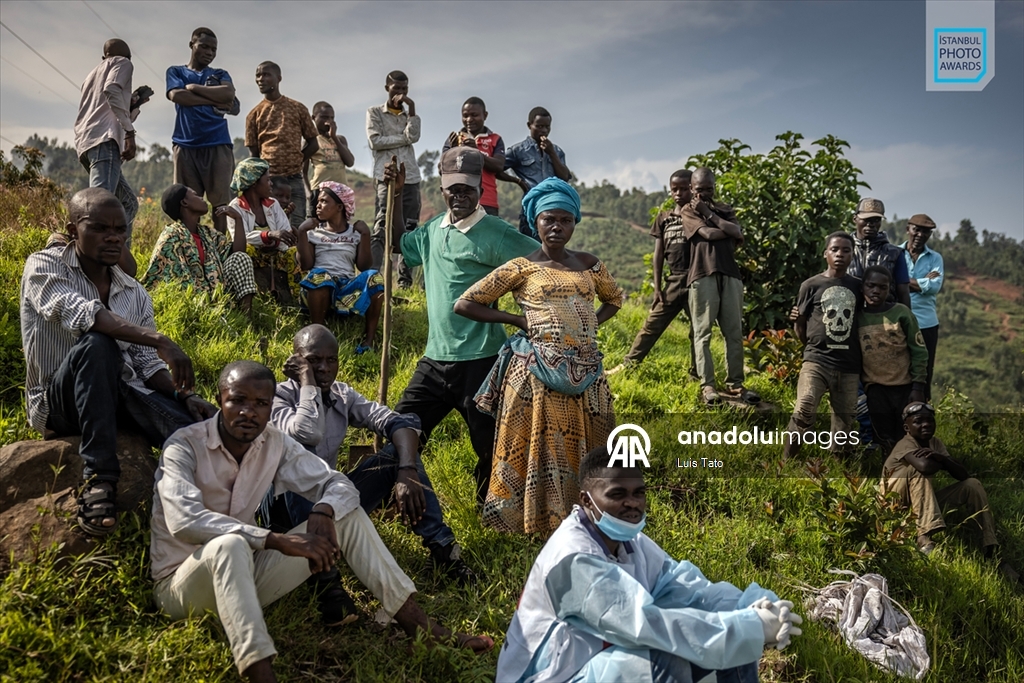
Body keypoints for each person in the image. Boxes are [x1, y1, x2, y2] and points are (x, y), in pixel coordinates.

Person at [151, 361, 493, 683]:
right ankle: (260, 671)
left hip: (249, 575)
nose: (248, 412)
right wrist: (275, 540)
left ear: (271, 406)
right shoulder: (185, 446)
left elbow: (338, 484)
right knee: (228, 543)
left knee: (345, 512)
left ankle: (420, 627)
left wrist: (324, 509)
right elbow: (185, 521)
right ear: (219, 400)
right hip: (183, 587)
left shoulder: (273, 443)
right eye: (237, 401)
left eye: (259, 403)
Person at [496, 446, 802, 683]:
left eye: (638, 492)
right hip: (554, 675)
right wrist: (748, 627)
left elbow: (688, 588)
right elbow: (645, 624)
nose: (633, 503)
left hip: (594, 660)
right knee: (666, 655)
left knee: (732, 631)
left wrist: (751, 606)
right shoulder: (574, 559)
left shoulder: (629, 541)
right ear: (587, 501)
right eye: (617, 494)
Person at [20, 188, 216, 537]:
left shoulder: (134, 291)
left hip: (118, 393)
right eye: (99, 228)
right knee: (98, 343)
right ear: (72, 229)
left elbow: (146, 365)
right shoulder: (45, 265)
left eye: (120, 230)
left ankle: (218, 507)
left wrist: (183, 396)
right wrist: (160, 339)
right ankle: (99, 480)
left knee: (205, 430)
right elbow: (84, 314)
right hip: (58, 403)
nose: (113, 238)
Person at [454, 177, 623, 535]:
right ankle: (533, 522)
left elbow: (615, 299)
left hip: (586, 372)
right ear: (536, 222)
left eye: (565, 219)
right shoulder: (521, 267)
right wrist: (517, 319)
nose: (557, 227)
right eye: (549, 219)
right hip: (536, 374)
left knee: (589, 445)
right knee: (538, 447)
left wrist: (590, 326)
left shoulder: (589, 264)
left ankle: (589, 520)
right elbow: (466, 303)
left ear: (575, 222)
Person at [386, 149, 539, 504]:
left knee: (490, 443)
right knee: (402, 429)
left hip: (482, 360)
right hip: (435, 360)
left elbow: (539, 260)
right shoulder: (431, 231)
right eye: (453, 189)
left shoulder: (495, 233)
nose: (460, 195)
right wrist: (395, 195)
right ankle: (390, 499)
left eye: (467, 189)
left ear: (480, 189)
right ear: (443, 190)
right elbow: (398, 245)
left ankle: (492, 508)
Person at [271, 325, 474, 583]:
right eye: (313, 361)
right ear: (296, 361)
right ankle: (324, 578)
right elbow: (306, 433)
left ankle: (444, 550)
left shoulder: (341, 394)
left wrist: (407, 471)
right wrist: (307, 382)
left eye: (330, 360)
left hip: (328, 499)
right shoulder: (278, 396)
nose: (323, 368)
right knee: (299, 456)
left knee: (397, 454)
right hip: (289, 513)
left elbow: (400, 422)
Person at [882, 402, 1005, 564]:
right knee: (917, 470)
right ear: (907, 428)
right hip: (894, 507)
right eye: (918, 421)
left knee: (972, 484)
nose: (926, 424)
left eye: (930, 420)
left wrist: (942, 458)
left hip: (920, 503)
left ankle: (989, 547)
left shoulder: (935, 443)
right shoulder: (905, 443)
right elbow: (924, 466)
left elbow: (962, 474)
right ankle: (923, 537)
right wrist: (941, 460)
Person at [608, 169, 698, 379]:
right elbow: (658, 256)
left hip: (696, 280)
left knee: (697, 331)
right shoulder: (664, 218)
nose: (679, 193)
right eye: (675, 189)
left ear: (692, 189)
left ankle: (697, 374)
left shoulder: (698, 217)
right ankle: (629, 364)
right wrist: (657, 288)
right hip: (674, 281)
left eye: (684, 189)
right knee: (652, 325)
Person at [682, 167, 759, 406]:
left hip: (730, 274)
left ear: (715, 187)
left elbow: (736, 231)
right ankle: (708, 385)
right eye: (699, 189)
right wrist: (724, 229)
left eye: (709, 188)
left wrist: (709, 213)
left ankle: (735, 384)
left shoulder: (725, 209)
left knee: (734, 333)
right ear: (691, 189)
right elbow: (708, 235)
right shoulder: (687, 210)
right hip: (703, 273)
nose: (704, 193)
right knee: (703, 333)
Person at [74, 38, 149, 277]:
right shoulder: (122, 63)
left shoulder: (91, 76)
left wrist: (134, 104)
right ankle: (88, 269)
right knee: (99, 208)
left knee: (127, 202)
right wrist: (129, 132)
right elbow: (112, 90)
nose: (129, 58)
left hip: (88, 143)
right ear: (112, 55)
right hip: (104, 142)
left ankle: (118, 267)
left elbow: (108, 108)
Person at [784, 232, 862, 458]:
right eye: (835, 249)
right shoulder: (810, 285)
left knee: (845, 420)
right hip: (817, 361)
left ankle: (841, 466)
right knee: (805, 406)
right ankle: (786, 462)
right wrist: (811, 349)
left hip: (849, 366)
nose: (840, 254)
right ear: (825, 254)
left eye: (846, 250)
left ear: (852, 255)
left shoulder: (858, 287)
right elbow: (800, 323)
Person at [295, 182, 383, 352]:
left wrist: (366, 235)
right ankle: (317, 337)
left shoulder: (355, 233)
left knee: (375, 277)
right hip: (319, 287)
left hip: (347, 290)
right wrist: (301, 233)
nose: (318, 205)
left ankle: (368, 341)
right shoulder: (314, 233)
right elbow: (306, 265)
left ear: (340, 207)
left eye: (324, 201)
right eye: (318, 201)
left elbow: (364, 266)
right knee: (319, 275)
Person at [166, 27, 238, 235]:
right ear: (192, 45)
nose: (209, 52)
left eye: (213, 49)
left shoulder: (219, 74)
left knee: (221, 204)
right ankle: (189, 247)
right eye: (204, 46)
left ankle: (220, 248)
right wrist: (213, 99)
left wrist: (195, 89)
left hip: (218, 143)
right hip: (185, 144)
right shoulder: (176, 72)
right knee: (186, 204)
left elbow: (229, 95)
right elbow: (178, 96)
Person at [141, 184, 256, 313]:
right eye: (195, 195)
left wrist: (238, 219)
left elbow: (238, 253)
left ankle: (246, 321)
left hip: (218, 296)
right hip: (190, 302)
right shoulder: (171, 236)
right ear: (184, 202)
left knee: (241, 258)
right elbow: (164, 275)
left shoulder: (207, 234)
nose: (201, 198)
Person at [857, 266, 929, 453]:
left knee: (909, 436)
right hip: (876, 390)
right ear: (862, 287)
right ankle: (889, 477)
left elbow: (919, 351)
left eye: (883, 287)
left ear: (890, 289)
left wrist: (918, 386)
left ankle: (912, 477)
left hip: (905, 388)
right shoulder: (857, 317)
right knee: (884, 438)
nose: (876, 291)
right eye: (871, 286)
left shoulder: (901, 313)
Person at [245, 61, 318, 228]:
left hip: (294, 178)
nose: (261, 79)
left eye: (266, 74)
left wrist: (297, 159)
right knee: (272, 227)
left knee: (298, 227)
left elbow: (314, 143)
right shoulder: (254, 115)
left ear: (279, 78)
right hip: (269, 182)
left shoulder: (297, 108)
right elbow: (254, 156)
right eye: (258, 75)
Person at [366, 70, 421, 287]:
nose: (400, 93)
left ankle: (404, 282)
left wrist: (413, 109)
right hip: (385, 175)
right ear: (387, 87)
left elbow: (414, 136)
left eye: (404, 89)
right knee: (382, 224)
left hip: (411, 177)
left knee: (410, 227)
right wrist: (403, 139)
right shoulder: (375, 112)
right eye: (396, 88)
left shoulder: (410, 115)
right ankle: (372, 278)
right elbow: (374, 141)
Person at [226, 158, 301, 301]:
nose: (271, 184)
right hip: (253, 255)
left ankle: (297, 299)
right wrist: (269, 235)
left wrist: (276, 241)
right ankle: (249, 296)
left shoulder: (273, 205)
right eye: (267, 180)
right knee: (247, 250)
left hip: (275, 254)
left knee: (294, 253)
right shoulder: (235, 207)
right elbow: (242, 238)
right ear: (254, 183)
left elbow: (285, 233)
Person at [499, 106, 571, 237]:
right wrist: (517, 181)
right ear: (529, 125)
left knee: (551, 248)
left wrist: (551, 153)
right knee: (529, 248)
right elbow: (497, 169)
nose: (543, 131)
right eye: (539, 126)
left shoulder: (557, 151)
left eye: (547, 127)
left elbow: (564, 177)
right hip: (531, 208)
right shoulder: (518, 150)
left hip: (553, 207)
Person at [900, 214, 943, 399]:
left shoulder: (935, 258)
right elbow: (888, 282)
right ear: (908, 229)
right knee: (898, 368)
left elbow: (934, 286)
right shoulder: (894, 253)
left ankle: (921, 414)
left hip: (926, 324)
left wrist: (901, 280)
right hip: (897, 322)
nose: (920, 234)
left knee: (923, 371)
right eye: (916, 229)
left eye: (926, 231)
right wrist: (922, 282)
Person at [442, 97, 505, 216]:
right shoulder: (453, 139)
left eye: (474, 115)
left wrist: (477, 153)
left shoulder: (495, 139)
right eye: (465, 116)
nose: (469, 119)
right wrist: (454, 151)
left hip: (487, 202)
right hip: (459, 201)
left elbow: (499, 166)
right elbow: (442, 169)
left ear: (485, 115)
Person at [847, 198, 911, 308]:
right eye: (866, 219)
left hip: (884, 317)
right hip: (849, 316)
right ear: (855, 219)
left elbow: (903, 292)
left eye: (876, 220)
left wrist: (907, 320)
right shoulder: (843, 249)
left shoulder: (894, 253)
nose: (871, 224)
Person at [306, 101, 355, 191]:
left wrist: (334, 137)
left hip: (341, 190)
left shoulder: (340, 140)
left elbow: (350, 162)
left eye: (331, 118)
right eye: (324, 117)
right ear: (313, 118)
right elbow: (302, 171)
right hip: (320, 189)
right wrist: (309, 193)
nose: (328, 121)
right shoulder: (311, 140)